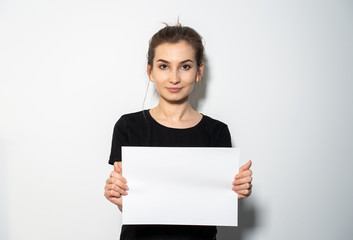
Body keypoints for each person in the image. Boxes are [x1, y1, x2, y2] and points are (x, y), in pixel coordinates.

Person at [104, 23, 253, 240]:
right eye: (164, 66)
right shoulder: (128, 126)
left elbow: (215, 203)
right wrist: (118, 195)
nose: (174, 78)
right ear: (150, 71)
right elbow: (130, 205)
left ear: (199, 72)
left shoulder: (216, 131)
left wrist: (235, 190)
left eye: (185, 66)